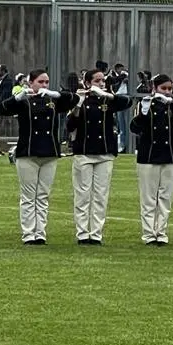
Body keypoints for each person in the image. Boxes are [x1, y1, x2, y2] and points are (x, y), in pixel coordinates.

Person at [0, 69, 78, 245]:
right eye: (40, 82)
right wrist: (17, 98)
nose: (44, 85)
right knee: (28, 196)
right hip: (28, 152)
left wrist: (54, 94)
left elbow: (73, 99)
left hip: (49, 151)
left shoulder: (52, 101)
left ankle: (40, 232)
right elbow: (1, 109)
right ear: (31, 83)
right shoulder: (24, 101)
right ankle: (28, 233)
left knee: (42, 195)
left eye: (46, 82)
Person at [66, 68, 133, 244]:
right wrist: (78, 103)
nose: (101, 84)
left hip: (104, 152)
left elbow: (126, 102)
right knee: (83, 194)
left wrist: (109, 95)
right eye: (97, 81)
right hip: (84, 152)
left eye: (103, 80)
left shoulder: (108, 99)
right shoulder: (80, 99)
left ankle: (96, 233)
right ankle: (82, 232)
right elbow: (70, 125)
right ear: (88, 82)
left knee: (100, 195)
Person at [131, 73, 173, 246]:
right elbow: (134, 128)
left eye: (169, 89)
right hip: (149, 156)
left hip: (170, 155)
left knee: (166, 197)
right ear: (154, 88)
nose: (166, 92)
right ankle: (149, 234)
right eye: (163, 89)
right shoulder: (145, 104)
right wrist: (144, 111)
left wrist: (172, 100)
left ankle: (162, 232)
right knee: (149, 198)